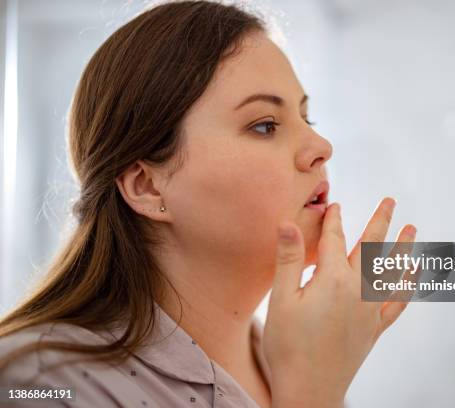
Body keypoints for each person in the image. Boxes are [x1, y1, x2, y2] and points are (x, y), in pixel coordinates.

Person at [0, 1, 417, 407]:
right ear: (147, 187)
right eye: (265, 125)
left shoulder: (299, 358)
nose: (321, 147)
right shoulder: (37, 383)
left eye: (306, 120)